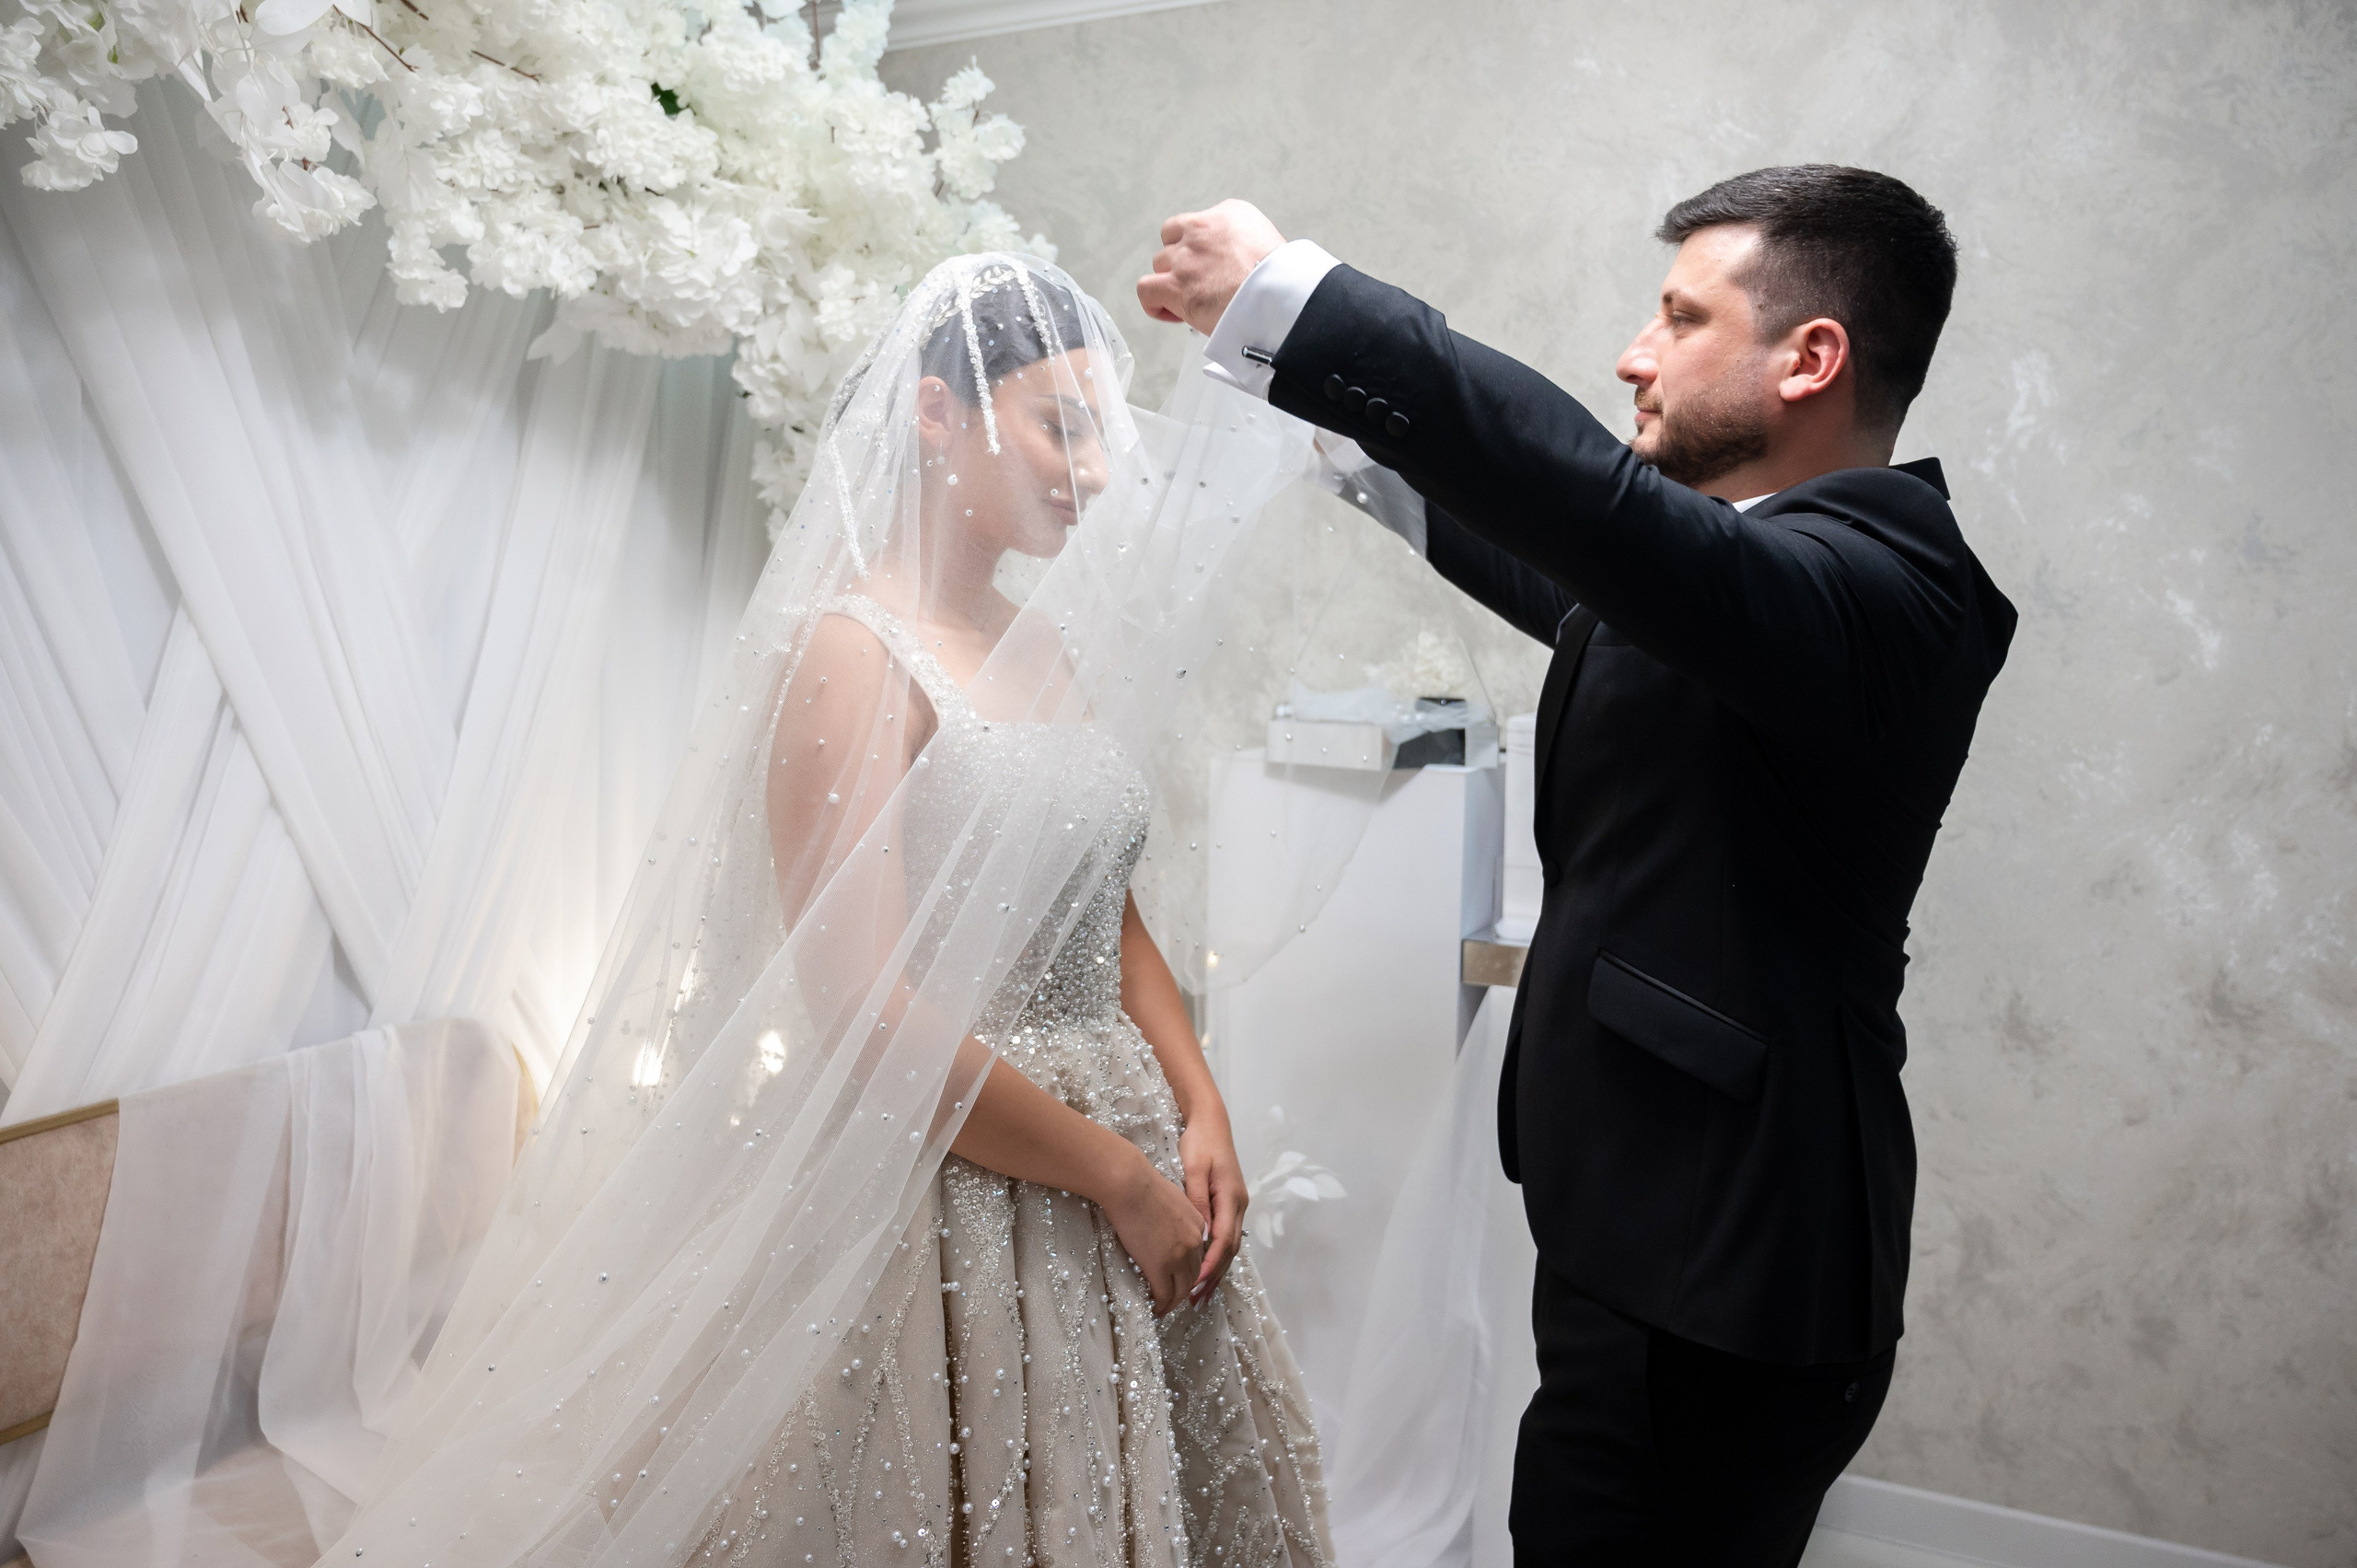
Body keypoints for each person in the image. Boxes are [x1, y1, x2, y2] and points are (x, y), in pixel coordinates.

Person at [323, 256, 1331, 1568]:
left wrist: (1199, 1104)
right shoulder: (853, 655)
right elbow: (861, 1009)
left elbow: (1105, 901)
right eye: (1061, 427)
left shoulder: (1042, 643)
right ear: (936, 413)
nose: (1095, 471)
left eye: (1103, 434)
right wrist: (1115, 1176)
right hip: (956, 1178)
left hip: (1125, 1135)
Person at [1140, 167, 2016, 1563]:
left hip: (1728, 1272)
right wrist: (1345, 436)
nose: (1634, 353)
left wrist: (1303, 303)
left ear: (1811, 358)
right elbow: (1580, 579)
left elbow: (1604, 518)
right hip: (1656, 1228)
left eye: (1682, 317)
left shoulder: (1887, 588)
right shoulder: (1756, 587)